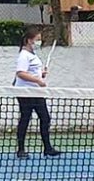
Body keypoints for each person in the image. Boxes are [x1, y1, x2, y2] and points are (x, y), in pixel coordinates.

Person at [13, 26, 60, 159]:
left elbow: (32, 72)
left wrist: (41, 74)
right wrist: (38, 81)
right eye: (37, 39)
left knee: (45, 118)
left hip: (35, 92)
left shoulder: (33, 56)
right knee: (25, 119)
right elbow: (21, 73)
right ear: (29, 40)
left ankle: (48, 148)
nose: (40, 42)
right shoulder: (24, 56)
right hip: (25, 93)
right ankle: (21, 150)